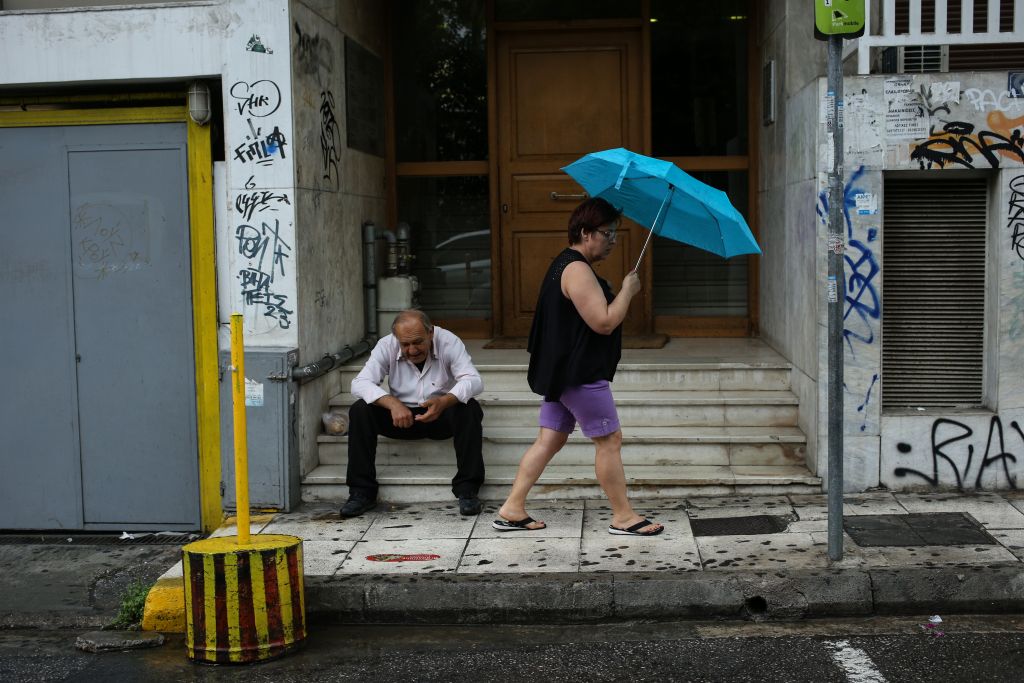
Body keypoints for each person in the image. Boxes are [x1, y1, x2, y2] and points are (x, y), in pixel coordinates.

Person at [493, 198, 663, 536]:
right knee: (609, 439)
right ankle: (623, 516)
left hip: (563, 371)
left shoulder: (565, 264)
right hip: (580, 373)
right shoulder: (577, 269)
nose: (613, 240)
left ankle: (512, 508)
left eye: (615, 234)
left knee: (549, 440)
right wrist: (628, 291)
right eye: (607, 233)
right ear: (585, 233)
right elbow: (603, 322)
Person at [342, 309, 485, 518]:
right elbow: (360, 383)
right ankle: (361, 493)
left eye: (417, 342)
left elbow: (474, 380)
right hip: (401, 419)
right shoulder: (386, 344)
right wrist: (391, 403)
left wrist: (445, 401)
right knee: (360, 410)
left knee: (469, 408)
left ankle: (468, 489)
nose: (412, 350)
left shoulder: (448, 341)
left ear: (430, 333)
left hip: (440, 415)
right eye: (405, 344)